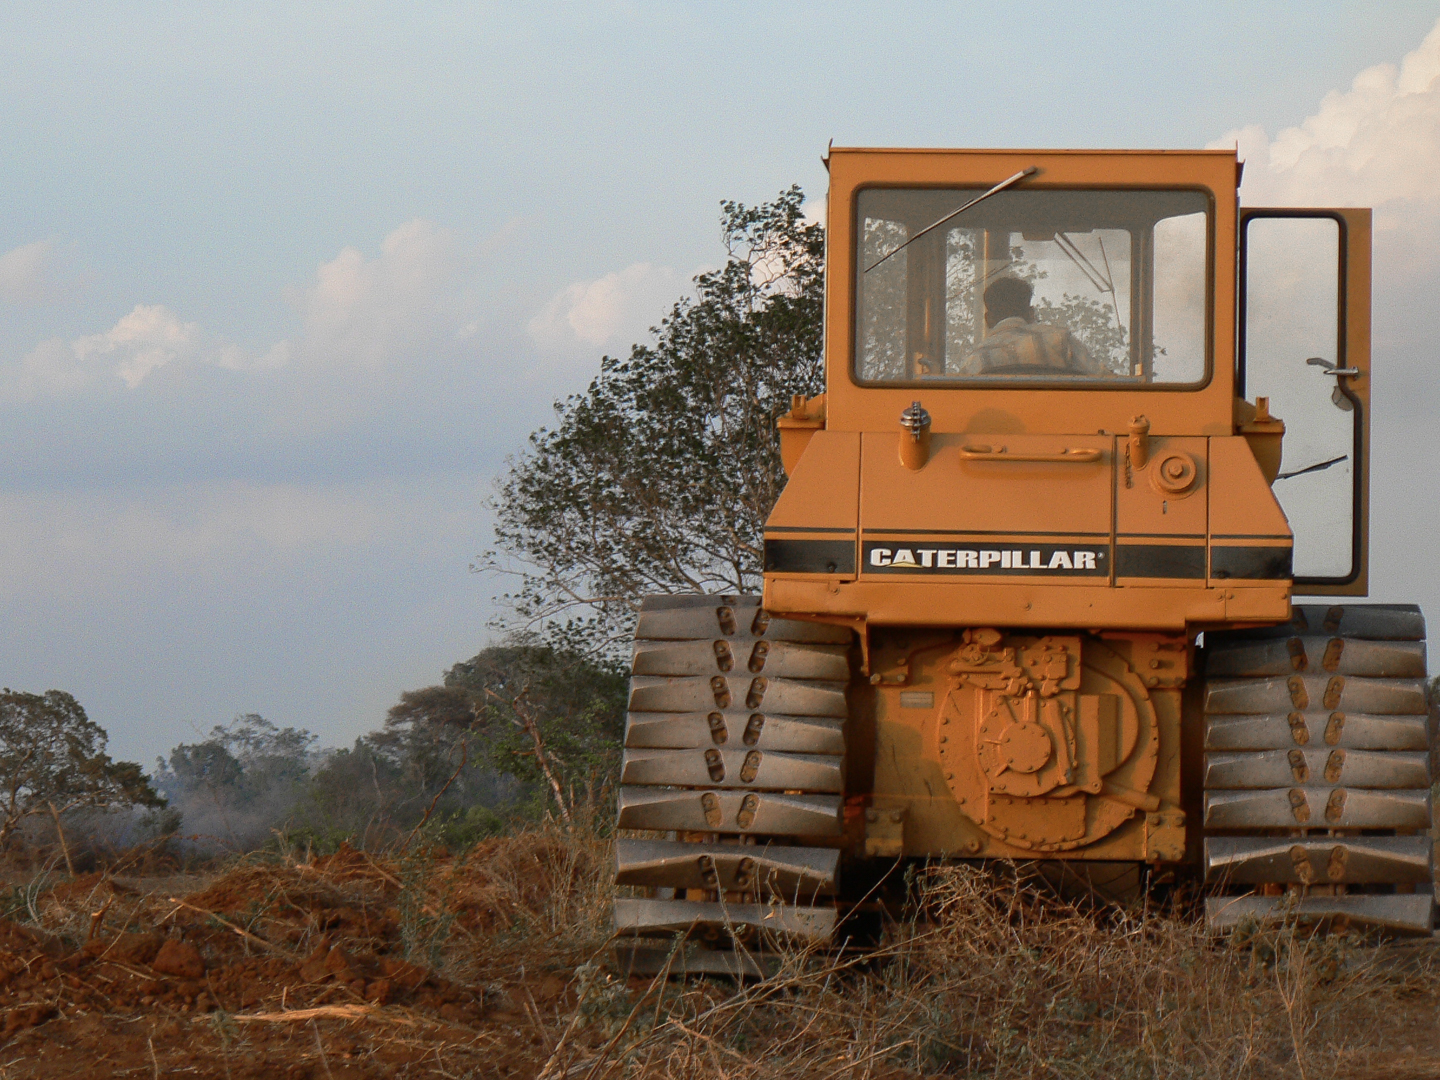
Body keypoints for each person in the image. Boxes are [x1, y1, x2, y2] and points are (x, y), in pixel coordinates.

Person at [957, 277, 1109, 377]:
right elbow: (1105, 381)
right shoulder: (1062, 341)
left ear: (988, 319)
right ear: (1031, 314)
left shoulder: (976, 360)